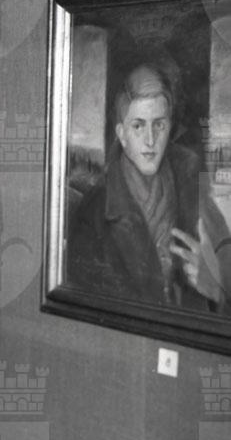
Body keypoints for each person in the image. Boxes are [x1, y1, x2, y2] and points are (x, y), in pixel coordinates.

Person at [67, 63, 231, 313]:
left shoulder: (191, 182)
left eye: (159, 124)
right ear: (122, 134)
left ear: (169, 126)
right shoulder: (93, 215)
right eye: (138, 126)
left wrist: (216, 289)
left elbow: (224, 253)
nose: (150, 140)